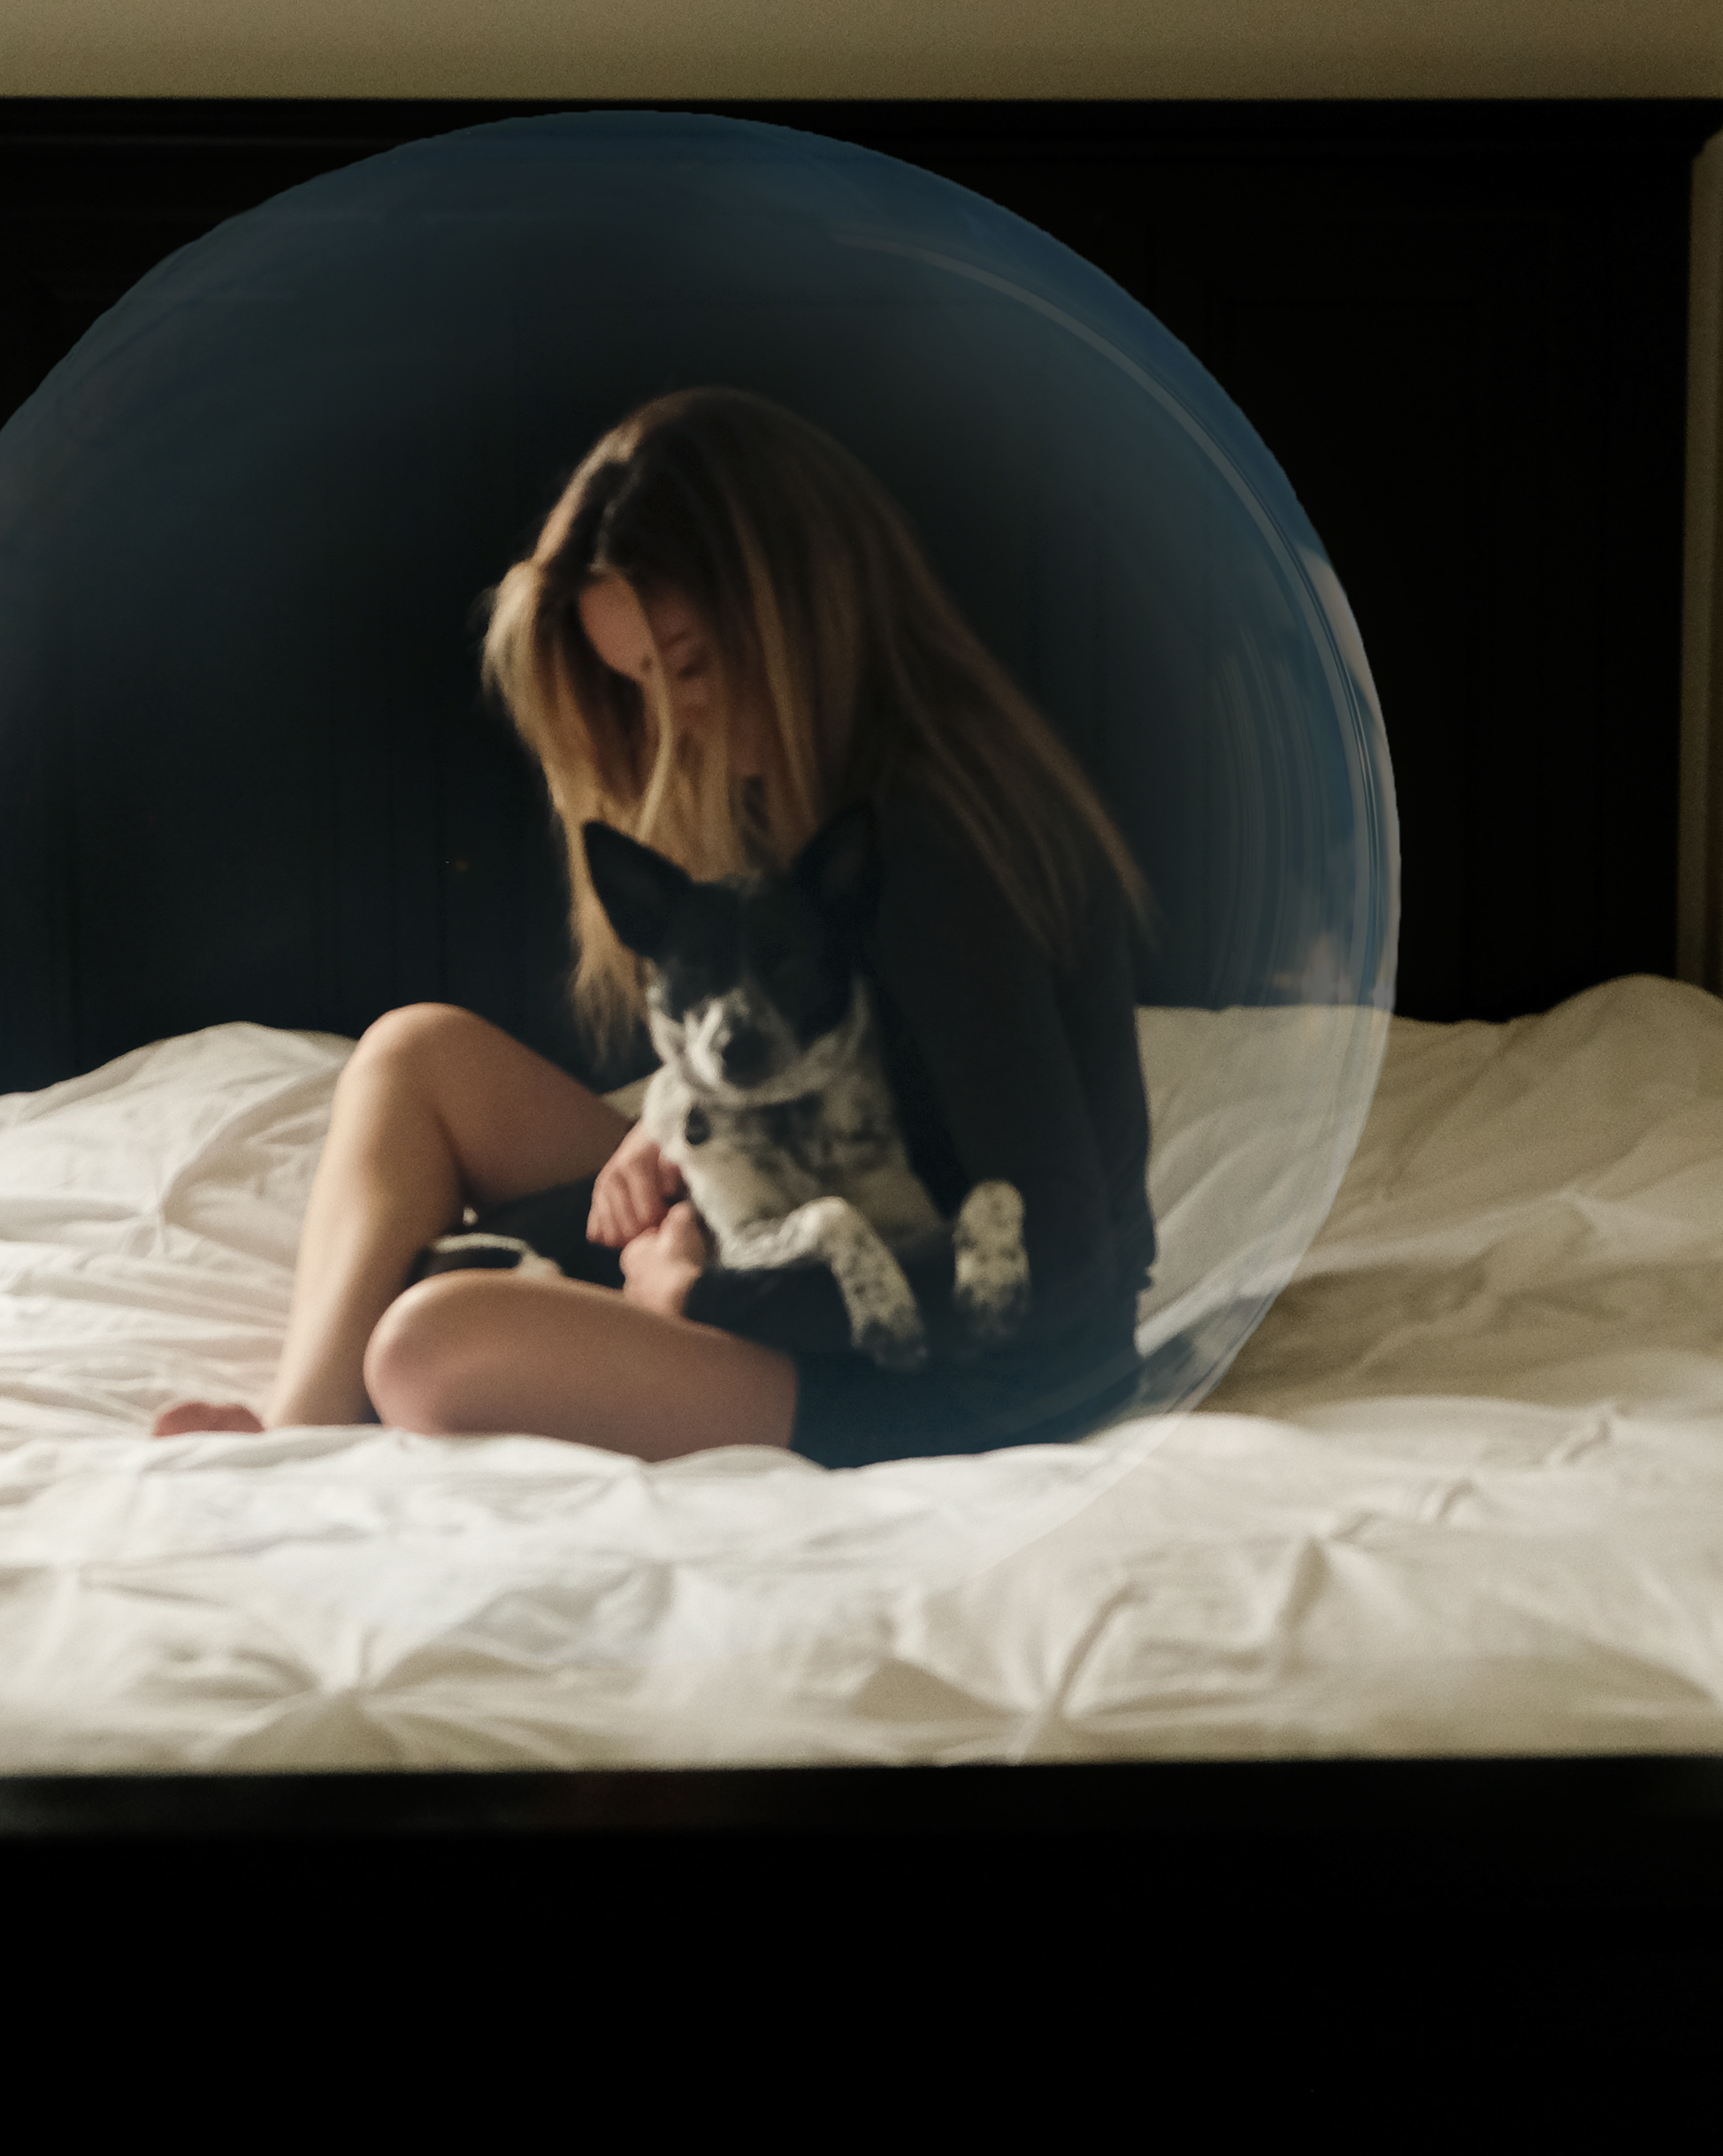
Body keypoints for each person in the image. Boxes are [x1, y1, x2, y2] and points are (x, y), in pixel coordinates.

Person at [152, 387, 1156, 1465]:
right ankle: (296, 1426)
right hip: (804, 1206)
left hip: (962, 1378)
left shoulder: (937, 842)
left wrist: (707, 1295)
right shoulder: (808, 785)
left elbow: (1061, 1260)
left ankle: (359, 1404)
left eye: (689, 665)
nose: (676, 722)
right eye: (639, 681)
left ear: (803, 605)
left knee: (425, 1349)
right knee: (416, 1054)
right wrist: (674, 1120)